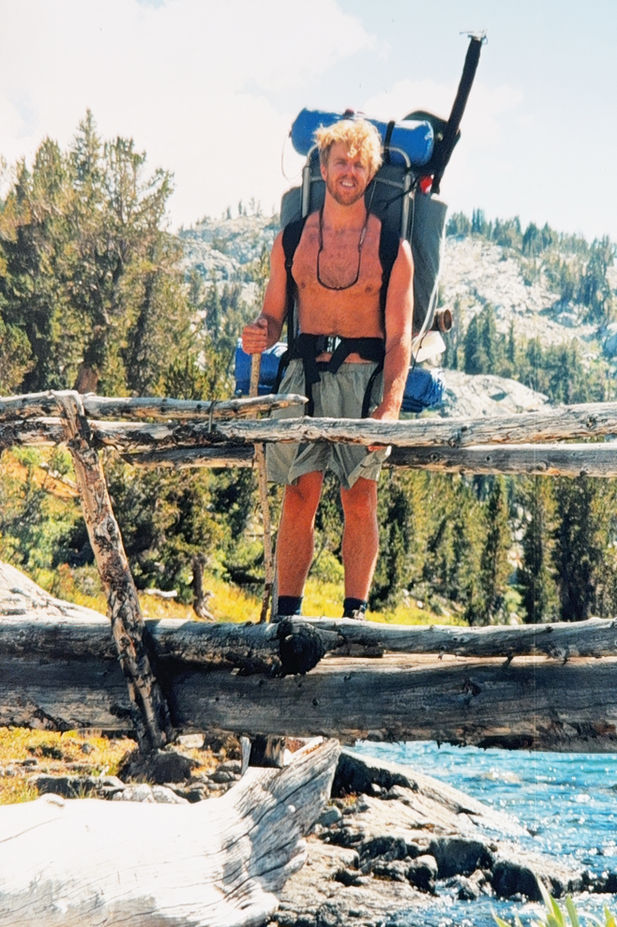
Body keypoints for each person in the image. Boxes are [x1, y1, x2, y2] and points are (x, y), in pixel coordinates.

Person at [242, 117, 413, 620]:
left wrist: (390, 408)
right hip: (303, 379)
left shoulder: (393, 248)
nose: (349, 172)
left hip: (365, 381)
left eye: (359, 165)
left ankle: (354, 617)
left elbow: (399, 338)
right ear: (322, 166)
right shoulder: (292, 239)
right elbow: (274, 316)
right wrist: (261, 331)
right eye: (341, 162)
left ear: (371, 173)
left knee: (359, 499)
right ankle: (286, 617)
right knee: (299, 495)